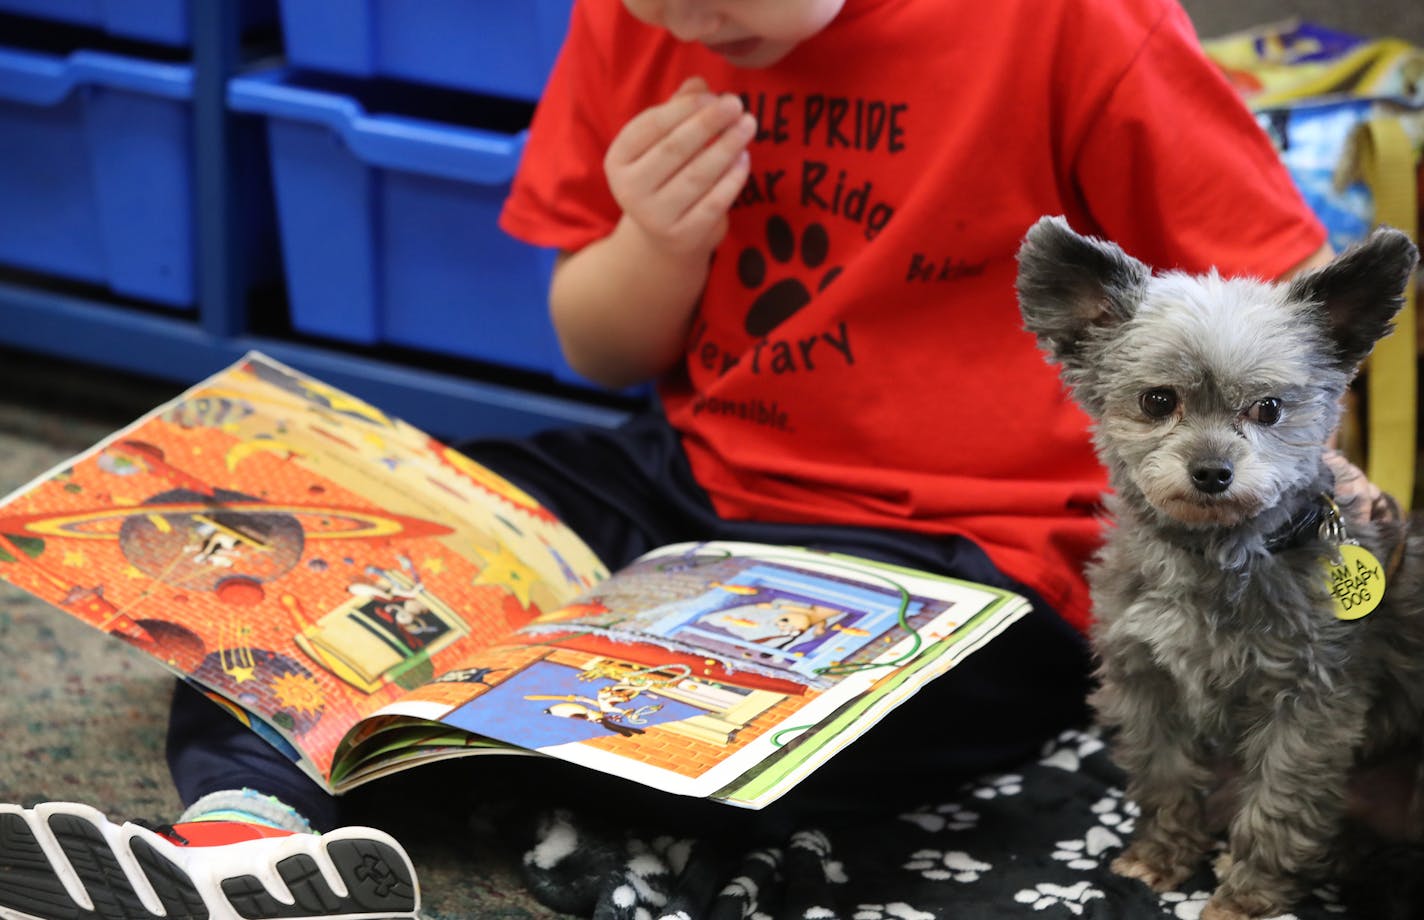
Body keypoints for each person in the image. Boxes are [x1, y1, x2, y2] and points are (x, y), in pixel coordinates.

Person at [9, 1, 1379, 917]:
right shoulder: (637, 17)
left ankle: (455, 741)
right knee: (275, 547)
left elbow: (1275, 320)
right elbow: (594, 341)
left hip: (973, 551)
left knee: (751, 746)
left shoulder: (1072, 24)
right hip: (695, 474)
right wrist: (655, 242)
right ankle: (247, 839)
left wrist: (1336, 499)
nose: (687, 22)